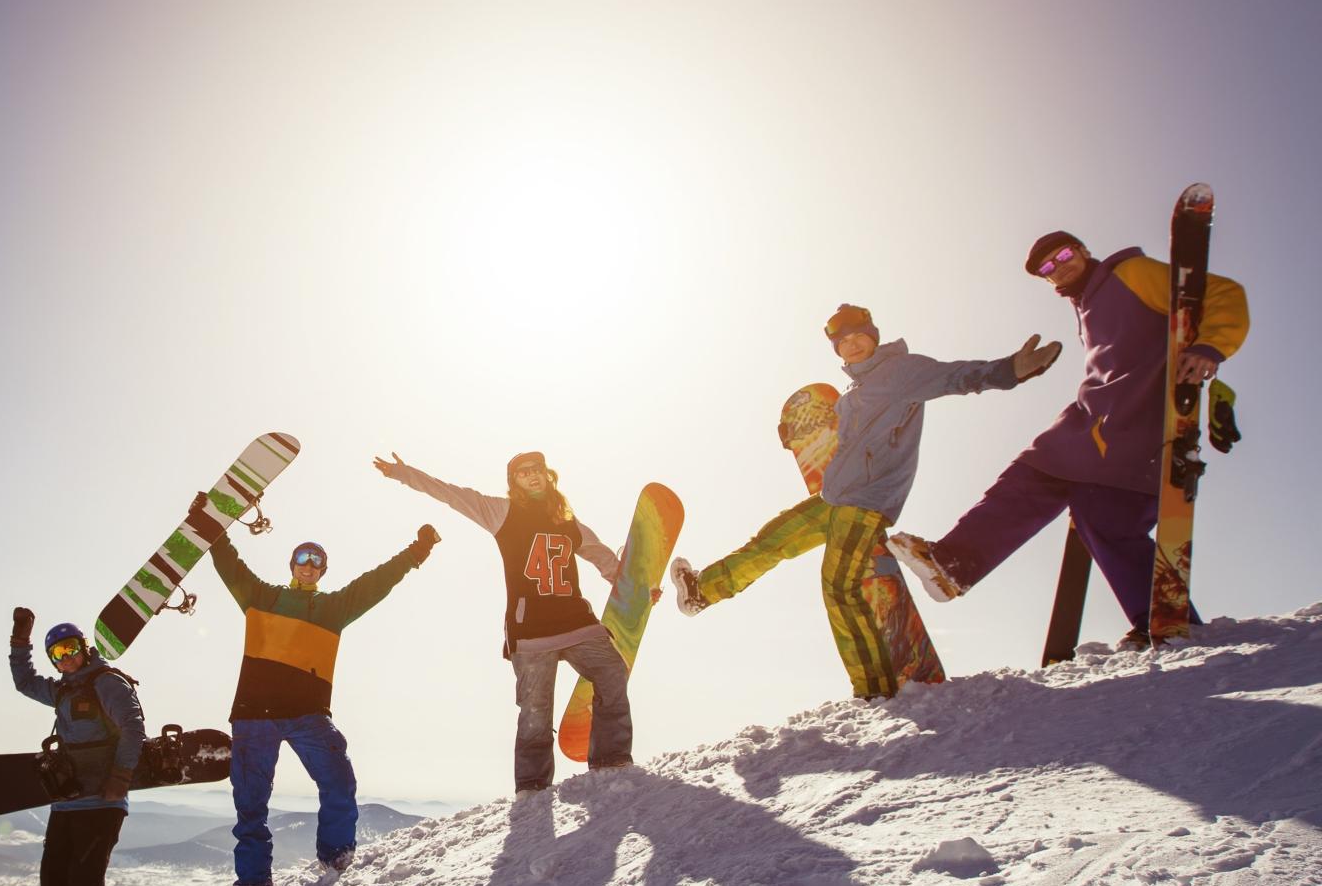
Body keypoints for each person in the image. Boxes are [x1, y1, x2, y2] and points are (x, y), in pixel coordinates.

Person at [670, 305, 1059, 699]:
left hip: (866, 501)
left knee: (840, 587)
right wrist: (797, 431)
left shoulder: (900, 372)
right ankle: (703, 591)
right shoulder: (853, 392)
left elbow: (953, 376)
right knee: (772, 540)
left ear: (874, 336)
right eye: (843, 343)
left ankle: (875, 688)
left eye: (859, 337)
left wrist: (1011, 370)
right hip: (833, 498)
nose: (852, 346)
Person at [888, 232, 1249, 649]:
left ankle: (958, 561)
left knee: (1062, 487)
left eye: (1063, 255)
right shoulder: (1086, 304)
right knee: (1091, 510)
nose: (1058, 266)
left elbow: (1224, 293)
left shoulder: (1129, 273)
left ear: (1081, 250)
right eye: (1048, 267)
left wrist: (1209, 348)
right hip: (1099, 418)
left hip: (1133, 418)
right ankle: (1161, 618)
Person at [196, 491, 439, 886]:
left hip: (308, 714)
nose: (308, 566)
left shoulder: (333, 608)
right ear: (292, 565)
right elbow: (228, 563)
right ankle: (253, 885)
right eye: (302, 558)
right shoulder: (261, 598)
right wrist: (207, 523)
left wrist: (416, 551)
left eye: (316, 560)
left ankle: (336, 851)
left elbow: (376, 581)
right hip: (255, 715)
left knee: (339, 780)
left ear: (323, 570)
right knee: (250, 803)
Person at [375, 450, 636, 794]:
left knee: (612, 671)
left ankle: (611, 758)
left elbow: (600, 555)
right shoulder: (502, 512)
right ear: (514, 480)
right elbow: (451, 494)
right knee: (535, 710)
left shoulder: (566, 518)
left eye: (537, 469)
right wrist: (403, 473)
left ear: (548, 474)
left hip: (576, 622)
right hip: (531, 632)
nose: (531, 475)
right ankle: (532, 785)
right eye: (522, 472)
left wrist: (633, 585)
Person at [8, 609, 147, 886]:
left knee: (84, 877)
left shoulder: (108, 682)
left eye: (69, 649)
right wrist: (20, 641)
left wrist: (120, 776)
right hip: (68, 801)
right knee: (54, 878)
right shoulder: (63, 690)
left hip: (103, 801)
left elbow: (133, 728)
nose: (65, 658)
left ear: (84, 647)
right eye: (57, 654)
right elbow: (24, 682)